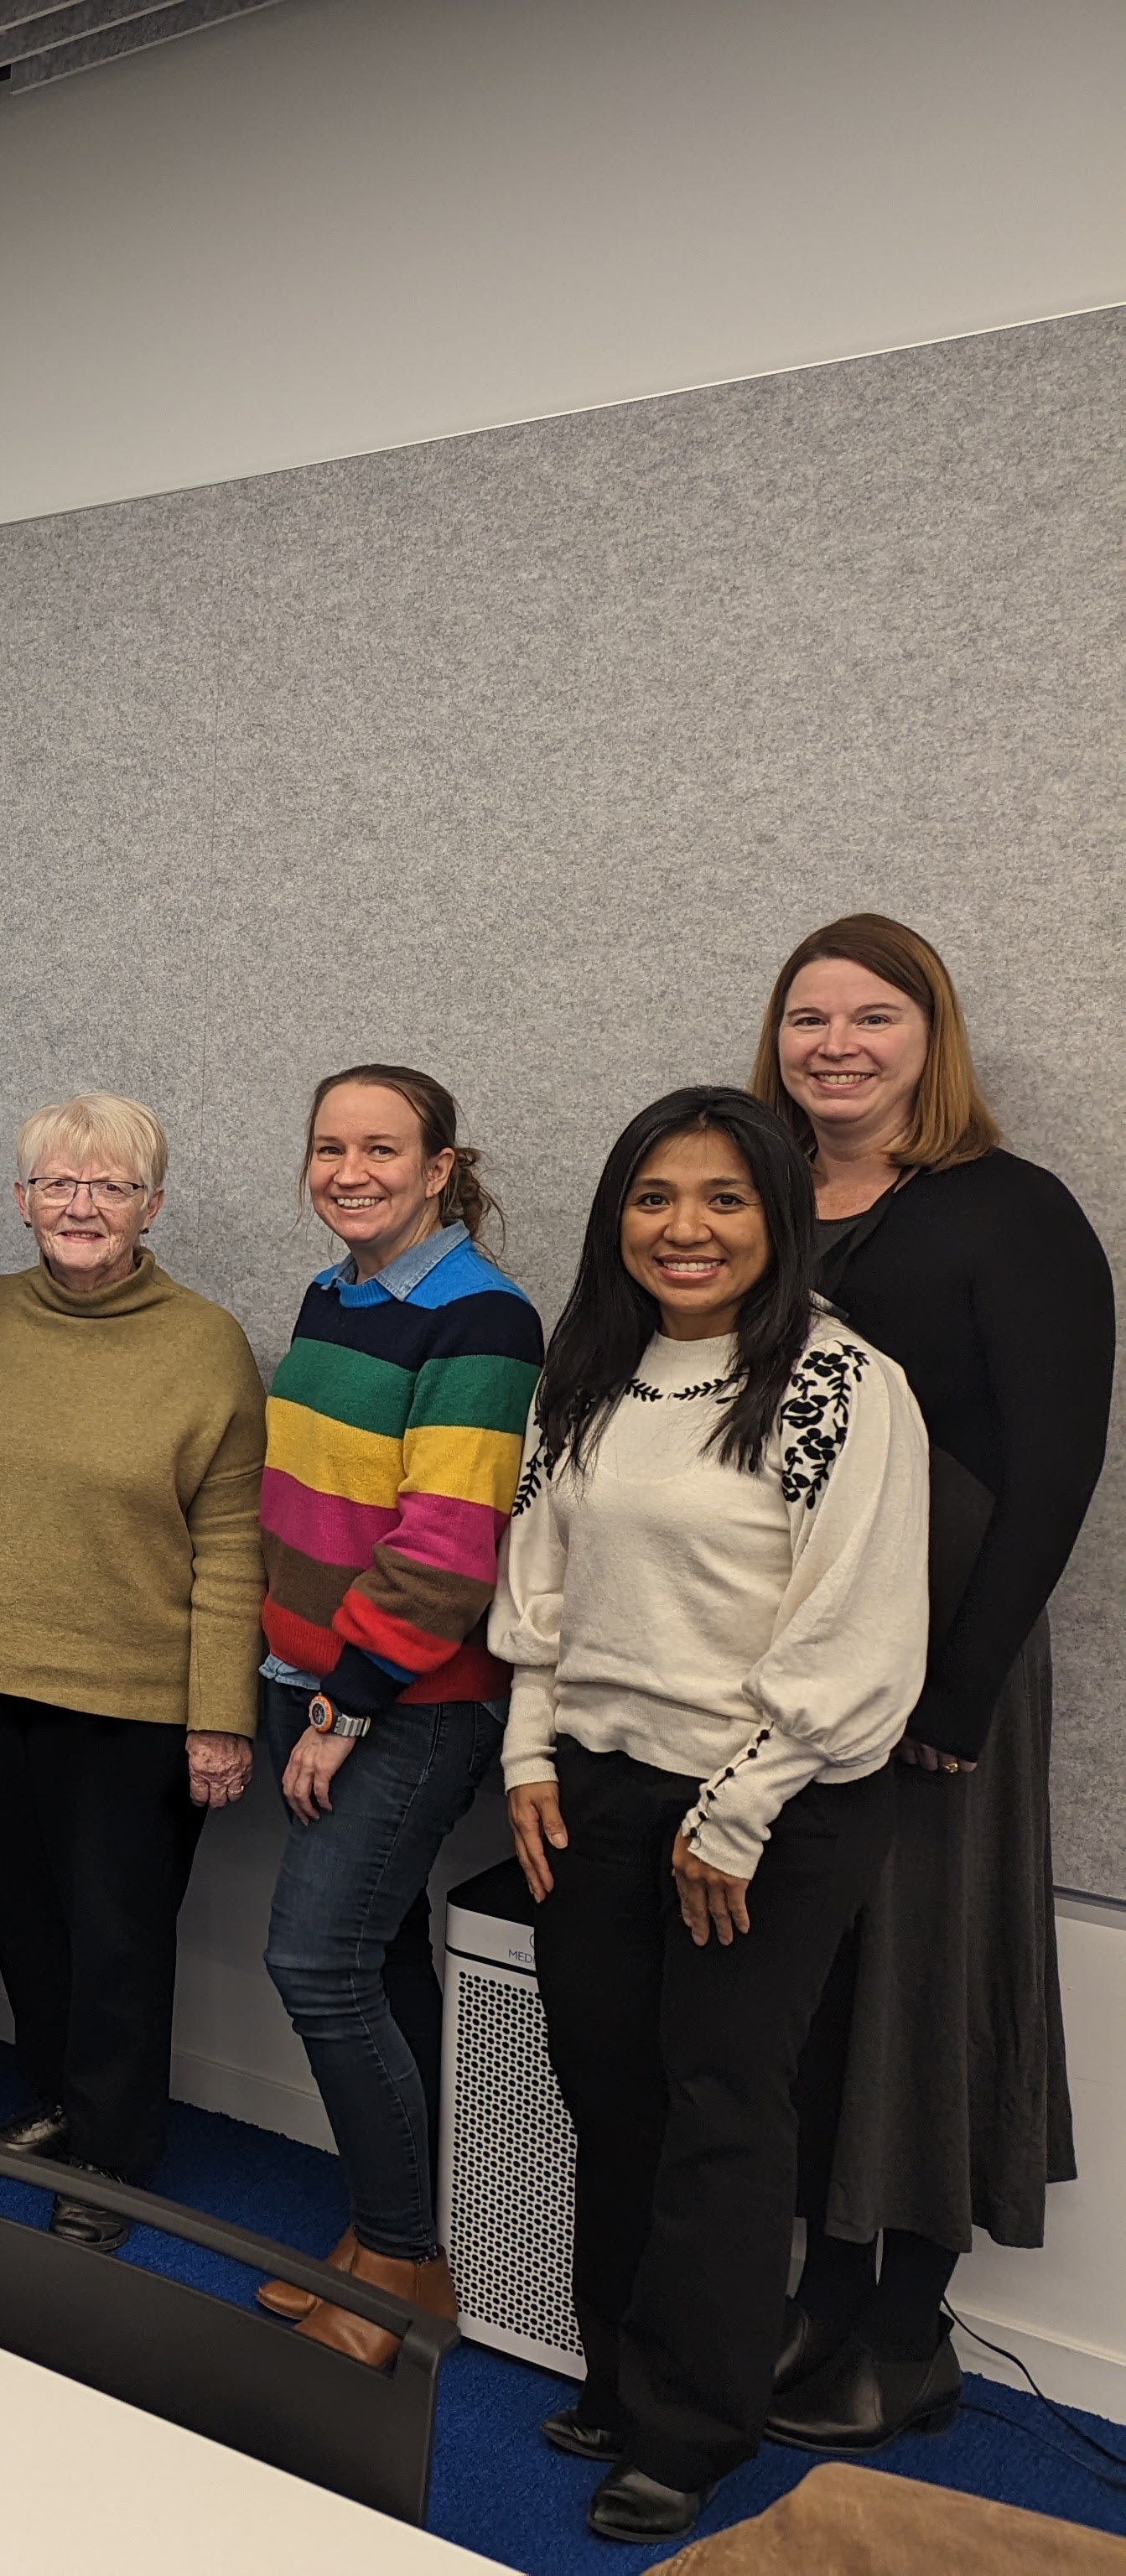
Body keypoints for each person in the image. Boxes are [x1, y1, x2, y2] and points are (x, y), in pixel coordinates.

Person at [498, 1087, 929, 2544]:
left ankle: (693, 2427)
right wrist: (526, 1757)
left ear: (777, 1216)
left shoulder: (838, 1384)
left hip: (771, 1803)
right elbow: (536, 1585)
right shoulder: (589, 1371)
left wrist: (736, 1812)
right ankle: (618, 2369)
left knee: (721, 2109)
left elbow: (858, 1630)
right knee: (604, 2087)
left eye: (724, 1198)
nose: (686, 1228)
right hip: (600, 1781)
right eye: (655, 1197)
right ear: (618, 1214)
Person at [749, 916, 1114, 2452]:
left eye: (874, 1016)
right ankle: (824, 2290)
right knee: (813, 1983)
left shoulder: (1008, 1211)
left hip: (942, 1664)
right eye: (808, 1016)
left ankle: (910, 2329)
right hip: (781, 1657)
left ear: (931, 1036)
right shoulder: (754, 1197)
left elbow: (1053, 1471)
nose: (836, 1042)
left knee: (929, 1973)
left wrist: (962, 1694)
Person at [0, 1096, 264, 2251]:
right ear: (20, 1201)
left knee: (119, 1934)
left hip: (135, 1698)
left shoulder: (205, 1342)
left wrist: (222, 1717)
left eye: (110, 1187)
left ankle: (114, 2155)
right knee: (23, 1913)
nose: (81, 1207)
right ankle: (56, 2099)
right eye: (58, 1186)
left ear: (152, 1207)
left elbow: (232, 1544)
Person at [251, 1067, 542, 2360]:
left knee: (315, 1962)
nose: (349, 1171)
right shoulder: (337, 1295)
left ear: (439, 1169)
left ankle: (405, 2267)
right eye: (328, 1147)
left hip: (404, 1702)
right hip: (308, 1686)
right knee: (375, 1956)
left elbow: (446, 1550)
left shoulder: (483, 1320)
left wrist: (346, 1706)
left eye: (381, 1150)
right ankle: (397, 2234)